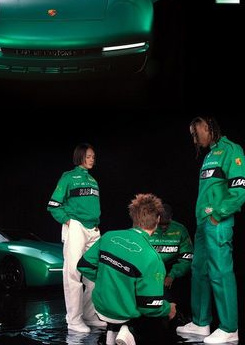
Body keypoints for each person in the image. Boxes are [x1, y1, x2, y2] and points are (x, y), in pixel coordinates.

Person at [176, 116, 245, 344]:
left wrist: (217, 215)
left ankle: (229, 328)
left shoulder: (231, 150)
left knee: (220, 272)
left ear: (207, 126)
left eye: (197, 133)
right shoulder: (207, 156)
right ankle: (201, 323)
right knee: (199, 271)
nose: (195, 138)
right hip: (202, 223)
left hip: (218, 221)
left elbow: (238, 192)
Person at [77, 193, 177, 345]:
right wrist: (168, 308)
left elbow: (83, 266)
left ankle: (113, 330)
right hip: (124, 313)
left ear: (133, 217)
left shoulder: (108, 236)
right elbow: (150, 306)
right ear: (157, 220)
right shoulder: (152, 258)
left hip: (101, 308)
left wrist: (108, 281)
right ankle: (130, 332)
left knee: (124, 288)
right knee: (162, 311)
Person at [47, 143, 106, 333]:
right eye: (88, 156)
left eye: (93, 156)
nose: (92, 159)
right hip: (76, 227)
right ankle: (73, 320)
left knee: (94, 273)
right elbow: (54, 204)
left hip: (93, 229)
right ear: (80, 156)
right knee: (73, 273)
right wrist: (68, 221)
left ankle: (89, 314)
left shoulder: (93, 180)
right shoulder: (68, 177)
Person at [149, 203, 193, 303]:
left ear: (171, 217)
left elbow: (188, 256)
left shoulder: (180, 229)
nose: (164, 227)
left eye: (167, 224)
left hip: (173, 268)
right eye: (161, 224)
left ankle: (177, 313)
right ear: (156, 218)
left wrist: (172, 275)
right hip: (151, 267)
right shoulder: (147, 227)